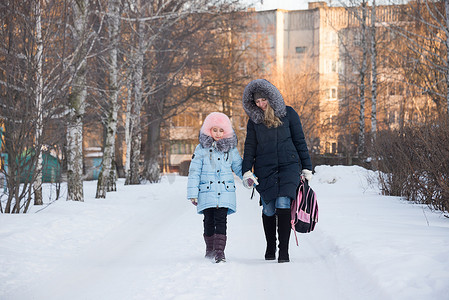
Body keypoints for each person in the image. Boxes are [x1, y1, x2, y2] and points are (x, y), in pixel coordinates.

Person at [241, 79, 313, 263]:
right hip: (265, 169)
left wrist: (306, 167)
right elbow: (250, 147)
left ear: (271, 97)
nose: (261, 104)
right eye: (257, 102)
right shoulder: (254, 121)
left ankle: (284, 251)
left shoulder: (289, 114)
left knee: (283, 204)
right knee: (268, 208)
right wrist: (246, 171)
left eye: (263, 100)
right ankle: (270, 246)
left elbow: (300, 141)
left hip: (288, 166)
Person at [187, 112, 243, 263]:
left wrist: (248, 177)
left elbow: (239, 167)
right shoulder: (201, 149)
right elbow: (194, 172)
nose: (218, 134)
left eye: (221, 130)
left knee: (221, 220)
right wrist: (193, 193)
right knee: (208, 220)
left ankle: (220, 251)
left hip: (225, 192)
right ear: (208, 130)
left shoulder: (231, 149)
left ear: (226, 132)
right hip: (206, 191)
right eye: (214, 130)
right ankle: (209, 249)